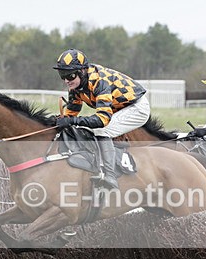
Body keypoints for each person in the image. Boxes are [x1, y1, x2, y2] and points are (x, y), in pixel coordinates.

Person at [52, 49, 150, 190]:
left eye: (70, 75)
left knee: (101, 130)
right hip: (120, 108)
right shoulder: (76, 85)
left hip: (137, 108)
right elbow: (72, 111)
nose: (67, 80)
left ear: (82, 71)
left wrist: (73, 121)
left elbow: (102, 120)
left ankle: (110, 176)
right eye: (62, 75)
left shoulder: (99, 82)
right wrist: (61, 120)